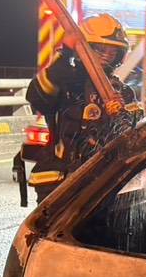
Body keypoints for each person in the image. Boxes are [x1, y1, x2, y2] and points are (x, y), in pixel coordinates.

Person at [25, 13, 139, 202]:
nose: (108, 56)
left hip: (102, 182)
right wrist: (65, 54)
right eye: (102, 49)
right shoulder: (66, 82)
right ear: (86, 48)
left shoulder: (123, 93)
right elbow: (38, 97)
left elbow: (133, 136)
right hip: (59, 182)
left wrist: (119, 114)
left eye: (113, 51)